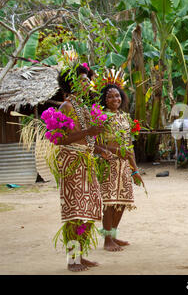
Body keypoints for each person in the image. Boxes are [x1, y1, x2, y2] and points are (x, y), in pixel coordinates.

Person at [54, 62, 113, 272]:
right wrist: (89, 131)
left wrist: (101, 150)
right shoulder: (66, 107)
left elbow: (87, 138)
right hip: (72, 163)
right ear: (72, 84)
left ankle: (79, 255)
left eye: (88, 79)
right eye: (83, 79)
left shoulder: (82, 107)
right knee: (75, 212)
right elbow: (60, 140)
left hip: (86, 162)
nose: (88, 82)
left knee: (91, 208)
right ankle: (72, 260)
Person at [96, 69, 144, 252]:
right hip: (109, 164)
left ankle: (113, 236)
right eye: (110, 97)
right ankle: (107, 240)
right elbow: (96, 143)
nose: (114, 99)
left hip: (124, 165)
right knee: (110, 202)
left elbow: (129, 145)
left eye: (117, 96)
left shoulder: (124, 117)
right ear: (104, 99)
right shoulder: (100, 116)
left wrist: (135, 170)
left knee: (122, 202)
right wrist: (112, 150)